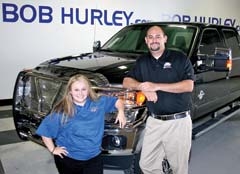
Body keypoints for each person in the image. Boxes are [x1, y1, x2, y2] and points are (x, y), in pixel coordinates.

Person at [123, 26, 194, 174]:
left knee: (178, 168)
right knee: (146, 164)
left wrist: (155, 86)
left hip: (177, 122)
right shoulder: (142, 61)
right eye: (150, 37)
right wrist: (142, 86)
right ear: (146, 40)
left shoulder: (179, 58)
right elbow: (126, 81)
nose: (154, 40)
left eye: (158, 36)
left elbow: (188, 86)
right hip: (154, 122)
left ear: (165, 39)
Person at [36, 74, 126, 174]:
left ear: (88, 89)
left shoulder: (98, 102)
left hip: (94, 157)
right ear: (70, 91)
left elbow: (118, 101)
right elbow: (45, 132)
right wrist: (53, 149)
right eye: (76, 90)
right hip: (69, 159)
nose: (80, 93)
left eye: (84, 89)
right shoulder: (62, 111)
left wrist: (121, 112)